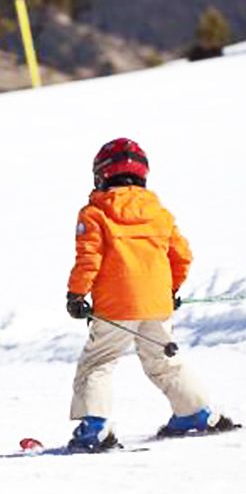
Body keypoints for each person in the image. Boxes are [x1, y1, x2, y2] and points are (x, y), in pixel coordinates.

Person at [65, 137, 238, 450]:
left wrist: (76, 295)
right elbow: (182, 256)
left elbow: (89, 258)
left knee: (98, 363)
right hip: (157, 305)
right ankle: (195, 412)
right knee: (162, 360)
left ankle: (94, 428)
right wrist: (168, 290)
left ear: (102, 174)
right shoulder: (159, 213)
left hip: (116, 307)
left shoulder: (95, 213)